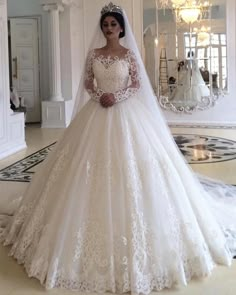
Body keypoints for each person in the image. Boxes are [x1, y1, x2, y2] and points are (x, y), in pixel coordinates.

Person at [0, 2, 236, 294]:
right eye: (105, 24)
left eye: (113, 24)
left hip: (126, 113)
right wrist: (100, 95)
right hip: (97, 112)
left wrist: (118, 95)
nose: (109, 29)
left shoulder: (129, 55)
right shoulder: (94, 55)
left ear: (122, 27)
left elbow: (136, 84)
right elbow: (88, 82)